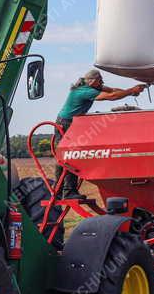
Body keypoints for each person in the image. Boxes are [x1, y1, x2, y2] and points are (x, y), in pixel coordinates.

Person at [54, 69, 145, 198]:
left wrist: (131, 90)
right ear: (93, 81)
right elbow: (111, 97)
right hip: (65, 124)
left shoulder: (92, 86)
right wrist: (130, 91)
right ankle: (67, 191)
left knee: (67, 157)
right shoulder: (85, 91)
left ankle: (59, 190)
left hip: (72, 123)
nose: (102, 82)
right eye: (100, 80)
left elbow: (113, 90)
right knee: (69, 156)